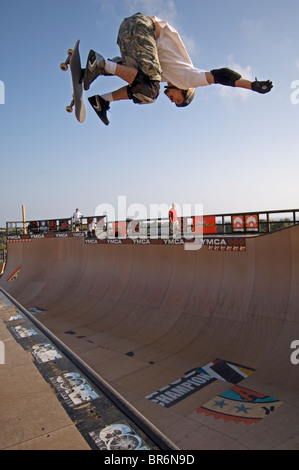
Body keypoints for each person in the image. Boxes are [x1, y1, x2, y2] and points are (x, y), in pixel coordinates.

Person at [83, 12, 273, 125]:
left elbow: (132, 74)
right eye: (179, 100)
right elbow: (221, 76)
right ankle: (100, 64)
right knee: (150, 91)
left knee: (142, 84)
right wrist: (252, 86)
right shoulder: (189, 78)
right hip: (142, 29)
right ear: (186, 92)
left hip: (128, 30)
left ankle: (101, 96)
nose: (173, 101)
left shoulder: (164, 74)